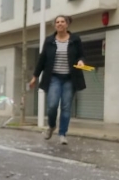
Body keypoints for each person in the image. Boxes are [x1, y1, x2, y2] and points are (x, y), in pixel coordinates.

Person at [29, 15, 86, 145]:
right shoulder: (49, 41)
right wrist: (34, 77)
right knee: (52, 105)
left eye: (62, 22)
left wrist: (81, 61)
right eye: (57, 22)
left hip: (70, 78)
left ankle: (62, 133)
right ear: (55, 25)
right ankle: (51, 126)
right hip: (54, 77)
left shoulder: (75, 39)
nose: (60, 24)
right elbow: (42, 59)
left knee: (66, 107)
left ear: (67, 24)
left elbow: (82, 54)